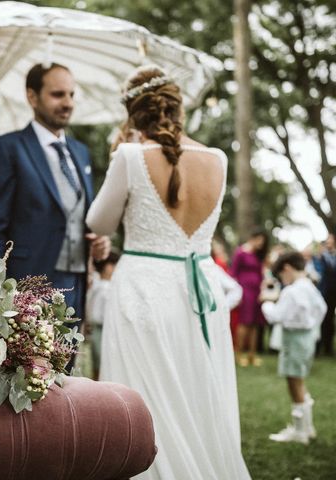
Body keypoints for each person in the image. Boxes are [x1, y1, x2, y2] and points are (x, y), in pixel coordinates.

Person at [86, 65, 250, 479]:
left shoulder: (129, 156)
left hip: (143, 289)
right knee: (198, 385)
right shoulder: (217, 158)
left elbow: (98, 223)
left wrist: (118, 158)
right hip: (201, 292)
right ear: (179, 109)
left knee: (144, 393)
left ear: (132, 115)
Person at [0, 63, 110, 370]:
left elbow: (78, 216)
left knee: (64, 371)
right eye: (57, 94)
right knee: (27, 375)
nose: (67, 102)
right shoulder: (7, 148)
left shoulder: (80, 152)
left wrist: (97, 244)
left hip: (75, 284)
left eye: (71, 94)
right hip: (27, 283)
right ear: (32, 96)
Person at [261, 251, 327, 444]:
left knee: (294, 382)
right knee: (300, 381)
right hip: (307, 337)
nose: (282, 278)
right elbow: (322, 308)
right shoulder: (308, 286)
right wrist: (311, 323)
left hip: (294, 339)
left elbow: (276, 316)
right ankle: (307, 427)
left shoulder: (292, 291)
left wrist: (266, 304)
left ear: (287, 268)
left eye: (281, 274)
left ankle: (300, 431)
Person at [230, 228, 269, 366]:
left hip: (257, 291)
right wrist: (236, 292)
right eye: (259, 240)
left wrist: (262, 289)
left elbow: (261, 274)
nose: (261, 244)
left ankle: (252, 354)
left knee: (255, 323)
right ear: (252, 238)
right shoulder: (241, 252)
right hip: (244, 291)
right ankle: (239, 353)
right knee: (244, 322)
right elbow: (233, 273)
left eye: (263, 242)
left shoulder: (258, 255)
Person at [85, 250, 120, 379]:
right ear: (108, 267)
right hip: (100, 327)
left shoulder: (99, 285)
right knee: (99, 358)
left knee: (99, 359)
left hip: (101, 327)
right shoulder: (104, 287)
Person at [316, 233, 336, 355]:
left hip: (334, 292)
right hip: (324, 292)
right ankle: (319, 347)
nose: (327, 241)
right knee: (322, 319)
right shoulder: (322, 256)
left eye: (330, 239)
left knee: (330, 320)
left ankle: (328, 347)